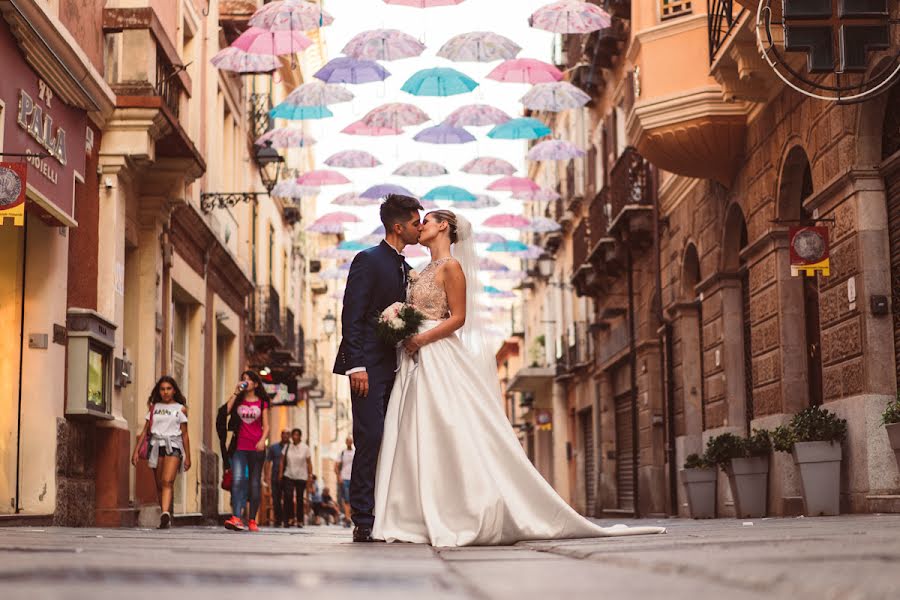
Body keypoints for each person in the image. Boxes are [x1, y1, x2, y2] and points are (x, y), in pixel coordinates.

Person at [372, 211, 667, 547]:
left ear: (443, 226)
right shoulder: (421, 271)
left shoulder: (452, 268)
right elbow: (418, 312)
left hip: (436, 352)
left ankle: (460, 510)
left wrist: (421, 338)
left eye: (426, 220)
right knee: (416, 430)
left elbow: (459, 318)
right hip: (415, 359)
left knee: (449, 425)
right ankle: (416, 513)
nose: (419, 225)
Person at [333, 193, 423, 543]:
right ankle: (364, 518)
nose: (419, 228)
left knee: (394, 440)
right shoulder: (367, 260)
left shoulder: (406, 267)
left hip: (398, 364)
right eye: (416, 223)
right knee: (369, 438)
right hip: (368, 365)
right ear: (398, 227)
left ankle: (389, 511)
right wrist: (356, 364)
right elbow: (352, 314)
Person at [132, 376, 191, 530]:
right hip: (156, 446)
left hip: (174, 446)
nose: (165, 392)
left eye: (169, 389)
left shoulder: (180, 408)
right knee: (159, 484)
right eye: (162, 389)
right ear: (159, 391)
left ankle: (165, 513)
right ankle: (166, 516)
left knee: (167, 481)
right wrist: (136, 451)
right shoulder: (154, 407)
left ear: (174, 390)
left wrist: (188, 457)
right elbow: (145, 430)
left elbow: (185, 434)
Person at [223, 370, 270, 532]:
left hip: (256, 448)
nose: (246, 381)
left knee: (254, 483)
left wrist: (262, 440)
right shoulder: (238, 400)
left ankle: (252, 520)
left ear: (256, 384)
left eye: (249, 380)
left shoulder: (262, 403)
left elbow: (267, 425)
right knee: (237, 480)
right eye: (243, 379)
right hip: (239, 447)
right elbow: (226, 411)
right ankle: (236, 517)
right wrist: (236, 392)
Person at [280, 428, 313, 528]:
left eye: (297, 435)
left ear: (300, 436)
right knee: (288, 497)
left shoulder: (305, 448)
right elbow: (282, 461)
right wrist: (280, 474)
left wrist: (310, 476)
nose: (295, 437)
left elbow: (309, 463)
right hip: (289, 474)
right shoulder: (287, 447)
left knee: (299, 499)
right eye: (293, 435)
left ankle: (300, 520)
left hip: (301, 476)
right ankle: (288, 519)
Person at [265, 430, 290, 527]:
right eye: (283, 433)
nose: (285, 435)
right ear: (281, 434)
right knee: (276, 499)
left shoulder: (292, 448)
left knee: (288, 498)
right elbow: (267, 462)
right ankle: (278, 520)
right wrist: (266, 476)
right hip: (275, 477)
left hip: (289, 477)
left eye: (288, 434)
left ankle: (287, 520)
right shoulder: (273, 448)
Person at [335, 436, 355, 527]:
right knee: (346, 499)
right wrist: (339, 477)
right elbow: (336, 466)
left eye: (351, 441)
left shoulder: (355, 452)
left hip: (354, 478)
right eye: (348, 441)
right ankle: (347, 518)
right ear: (346, 442)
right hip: (345, 478)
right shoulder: (342, 453)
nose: (349, 443)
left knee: (353, 499)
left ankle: (351, 517)